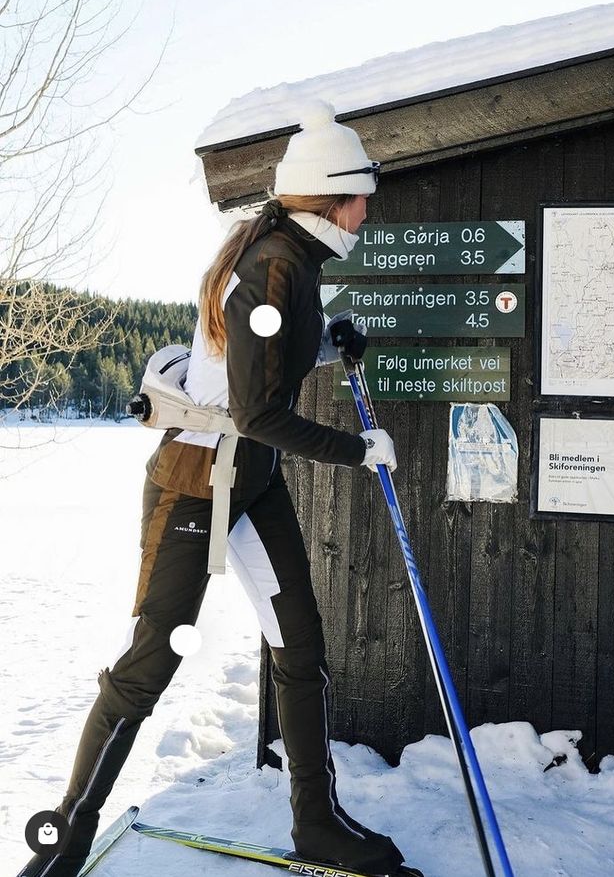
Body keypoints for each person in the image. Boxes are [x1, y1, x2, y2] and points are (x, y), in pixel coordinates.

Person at [21, 99, 408, 877]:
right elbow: (258, 409)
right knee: (150, 662)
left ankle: (317, 822)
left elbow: (260, 364)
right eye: (364, 189)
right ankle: (67, 834)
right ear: (332, 196)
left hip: (251, 477)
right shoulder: (271, 268)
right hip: (196, 482)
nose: (371, 203)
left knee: (300, 646)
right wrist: (356, 449)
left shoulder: (291, 254)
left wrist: (330, 347)